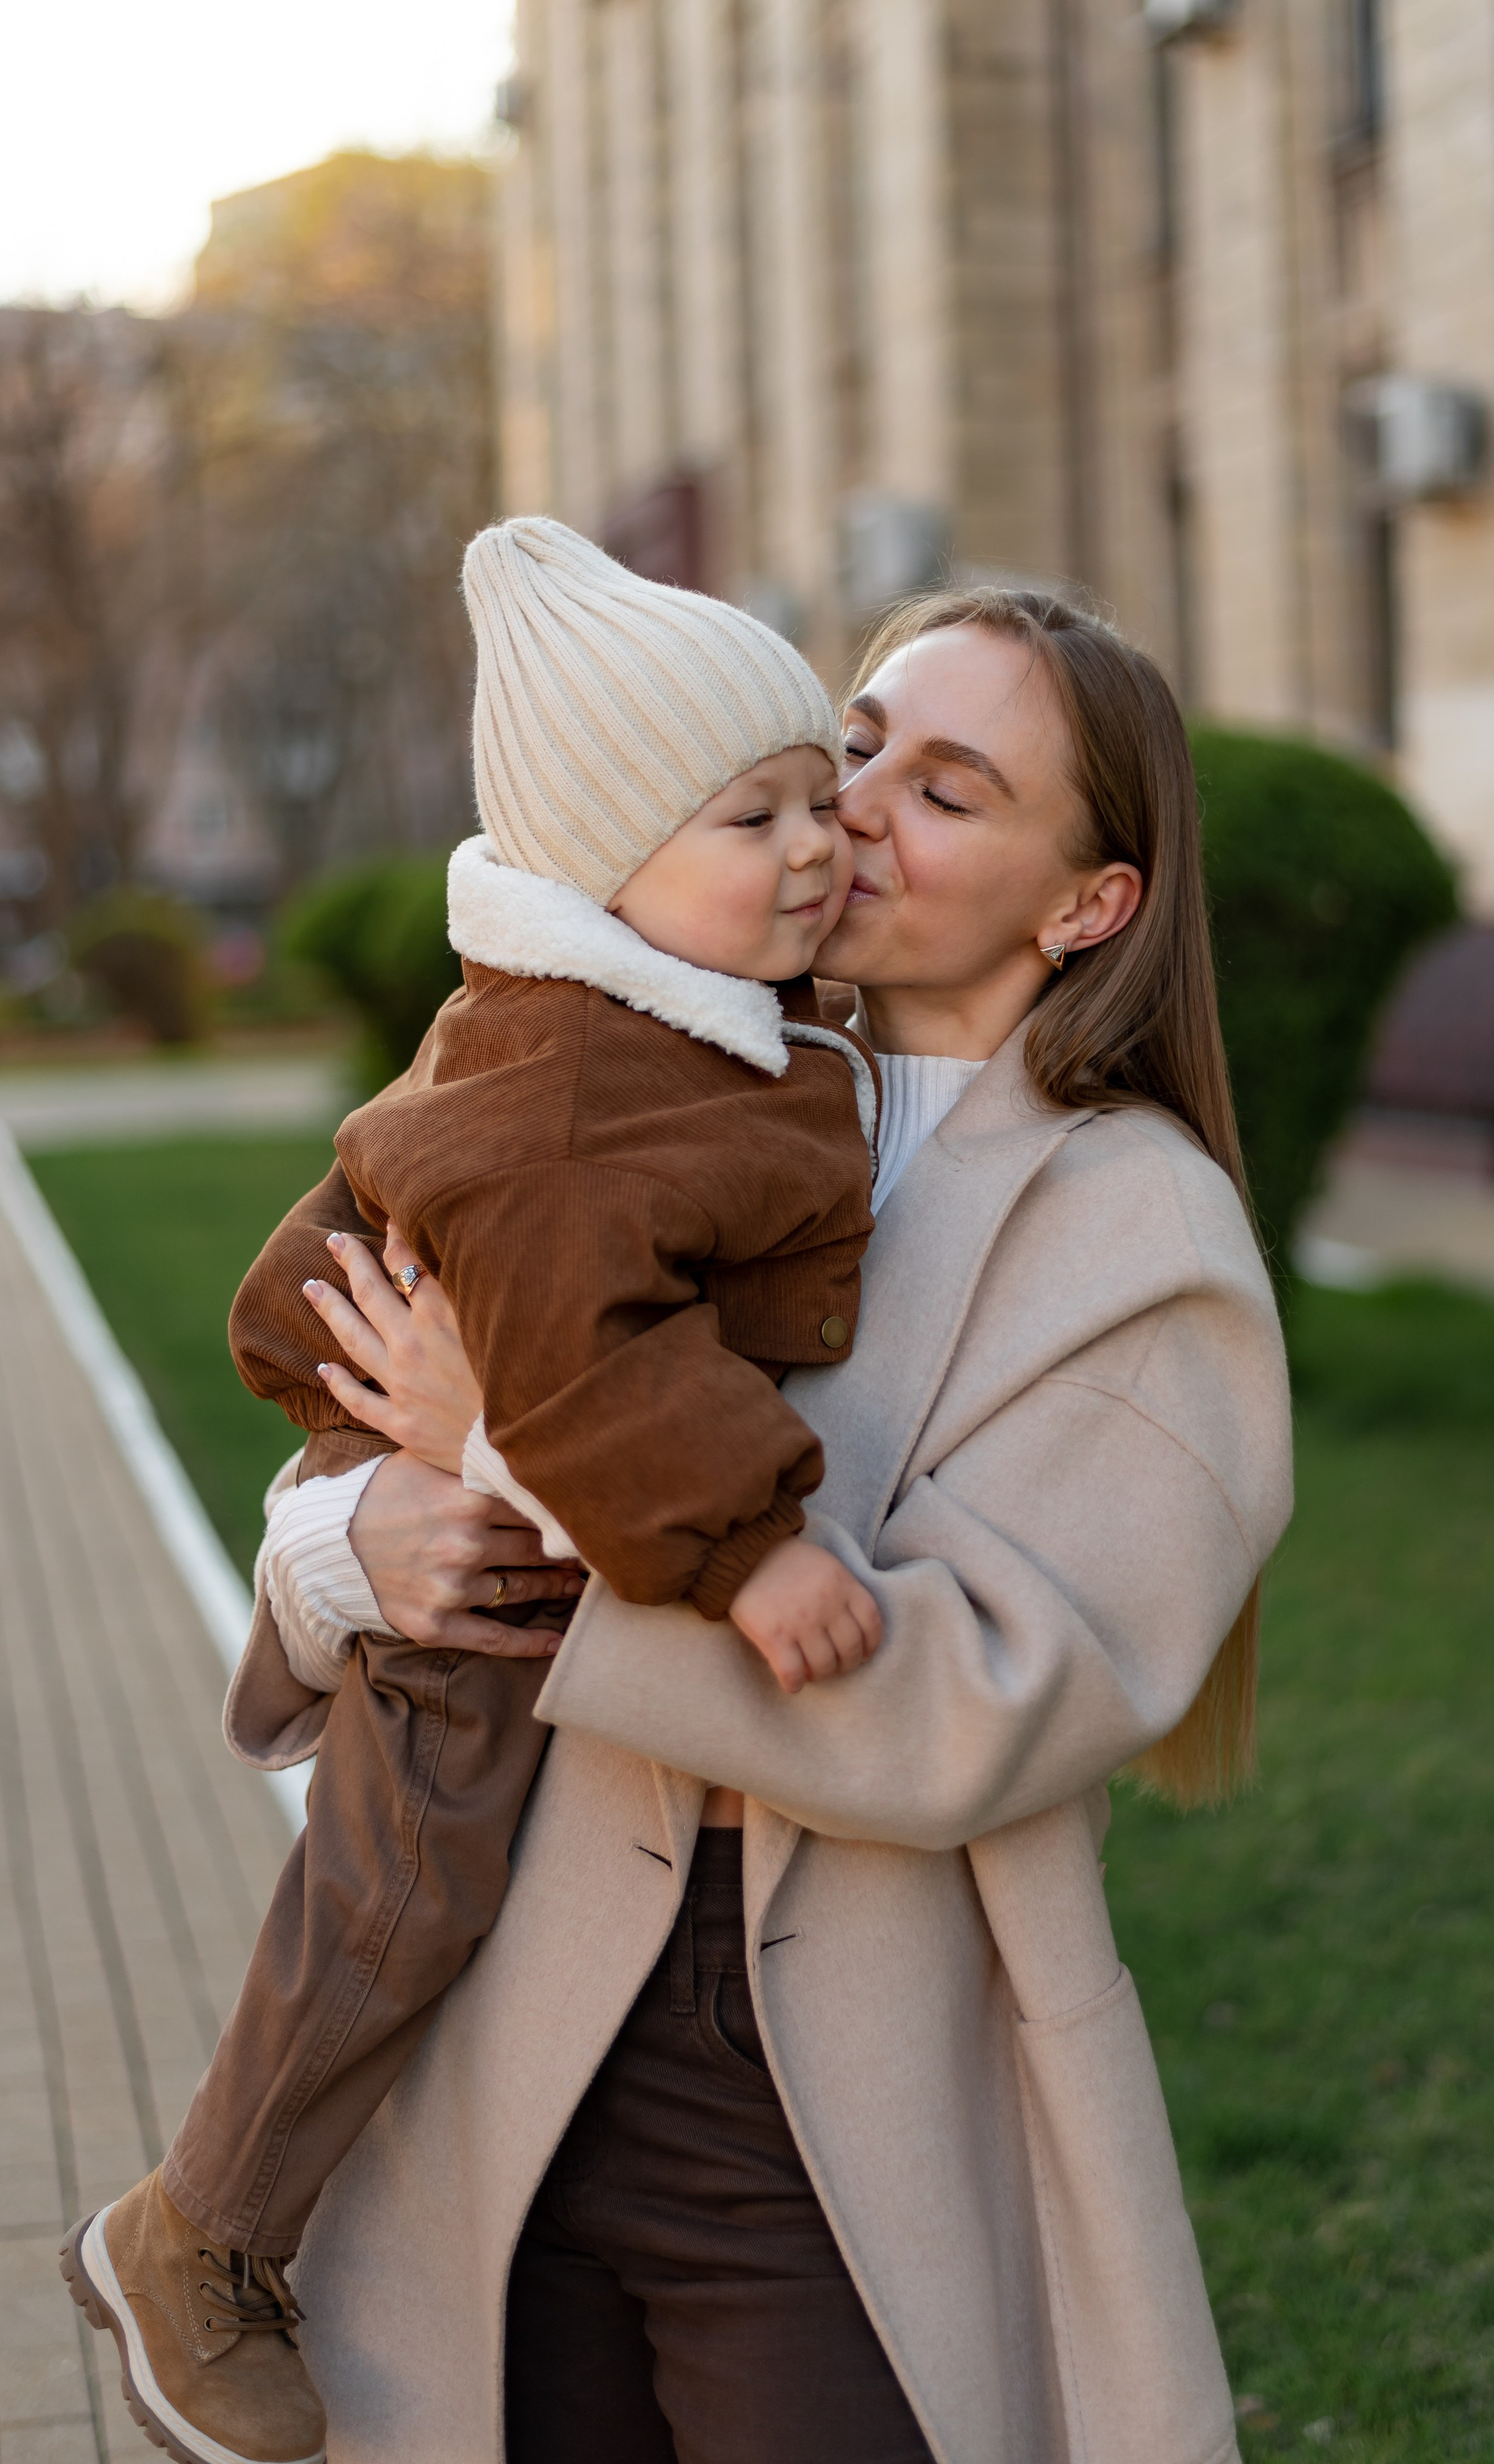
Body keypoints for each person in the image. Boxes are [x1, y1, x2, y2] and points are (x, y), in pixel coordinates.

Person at [214, 590, 1291, 2463]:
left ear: (1086, 904)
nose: (856, 807)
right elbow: (367, 1388)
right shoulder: (633, 1052)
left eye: (950, 789)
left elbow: (966, 1704)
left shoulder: (1144, 1238)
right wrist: (339, 1549)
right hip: (508, 2013)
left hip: (838, 2071)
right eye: (858, 738)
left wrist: (519, 1462)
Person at [59, 520, 890, 2464]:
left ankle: (226, 2217)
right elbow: (585, 1357)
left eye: (821, 799)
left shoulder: (677, 1023)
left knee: (417, 1881)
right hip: (477, 1534)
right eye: (752, 816)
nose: (815, 845)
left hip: (494, 1488)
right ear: (607, 868)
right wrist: (754, 1548)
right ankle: (198, 2231)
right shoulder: (590, 1082)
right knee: (406, 1877)